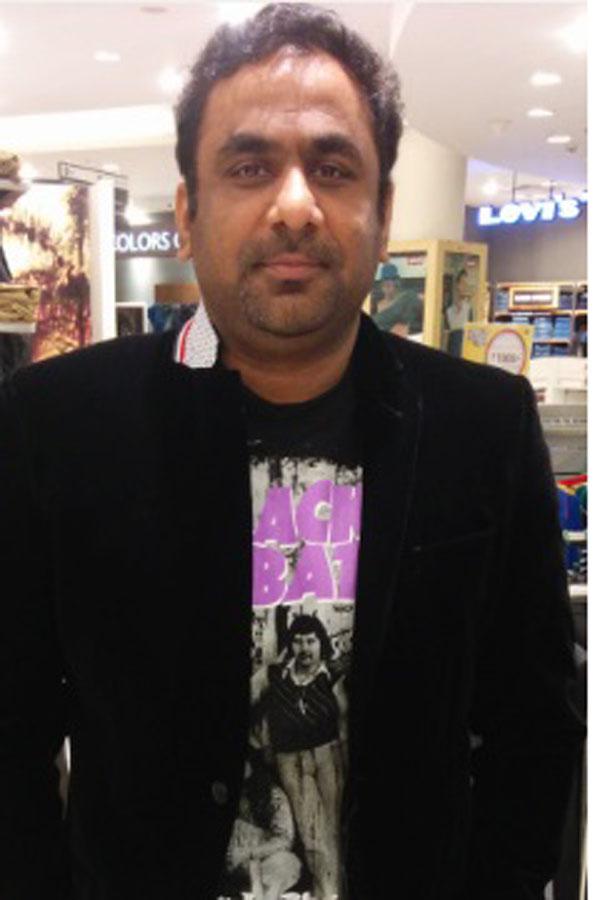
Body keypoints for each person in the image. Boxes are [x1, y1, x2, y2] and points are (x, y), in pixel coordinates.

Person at [0, 5, 584, 900]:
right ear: (188, 211)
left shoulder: (482, 427)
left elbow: (533, 726)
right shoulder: (59, 425)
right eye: (250, 166)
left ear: (382, 215)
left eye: (333, 167)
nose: (296, 204)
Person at [251, 615, 347, 896]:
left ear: (321, 643)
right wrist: (262, 739)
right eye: (298, 641)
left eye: (311, 641)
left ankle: (331, 890)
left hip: (328, 756)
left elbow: (345, 724)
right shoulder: (273, 675)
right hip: (291, 760)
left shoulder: (332, 676)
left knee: (334, 829)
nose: (304, 648)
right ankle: (328, 893)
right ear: (290, 645)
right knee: (312, 833)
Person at [219, 750, 301, 900]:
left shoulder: (272, 794)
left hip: (263, 865)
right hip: (229, 869)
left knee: (289, 864)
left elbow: (285, 839)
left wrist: (250, 853)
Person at [372, 261, 423, 336]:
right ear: (381, 285)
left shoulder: (405, 301)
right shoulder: (374, 305)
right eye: (385, 284)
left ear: (397, 284)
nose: (388, 288)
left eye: (391, 284)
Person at [445, 267, 473, 357]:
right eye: (462, 283)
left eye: (466, 284)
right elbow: (446, 336)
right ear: (457, 285)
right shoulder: (448, 310)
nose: (465, 286)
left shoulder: (469, 309)